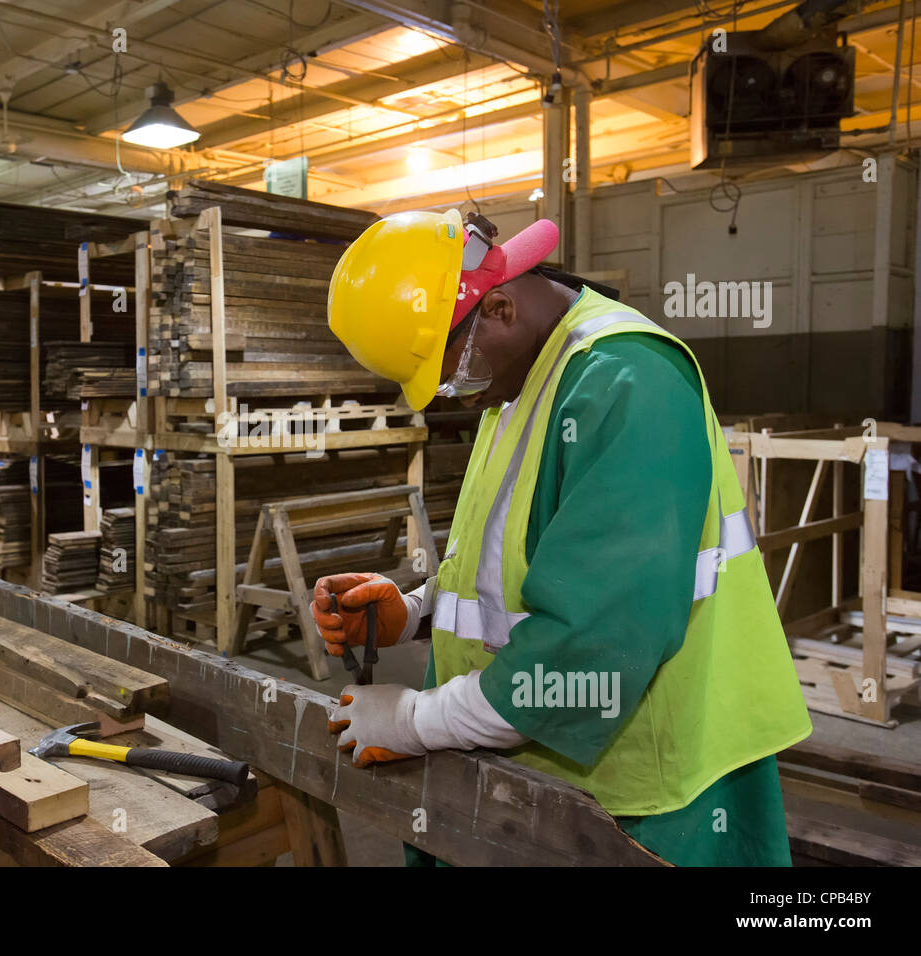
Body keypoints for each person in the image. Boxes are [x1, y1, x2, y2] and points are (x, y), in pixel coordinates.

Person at [313, 209, 811, 866]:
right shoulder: (520, 380)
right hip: (545, 766)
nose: (457, 396)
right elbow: (518, 557)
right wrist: (416, 610)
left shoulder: (626, 384)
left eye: (452, 372)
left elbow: (595, 648)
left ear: (499, 309)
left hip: (644, 797)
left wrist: (414, 721)